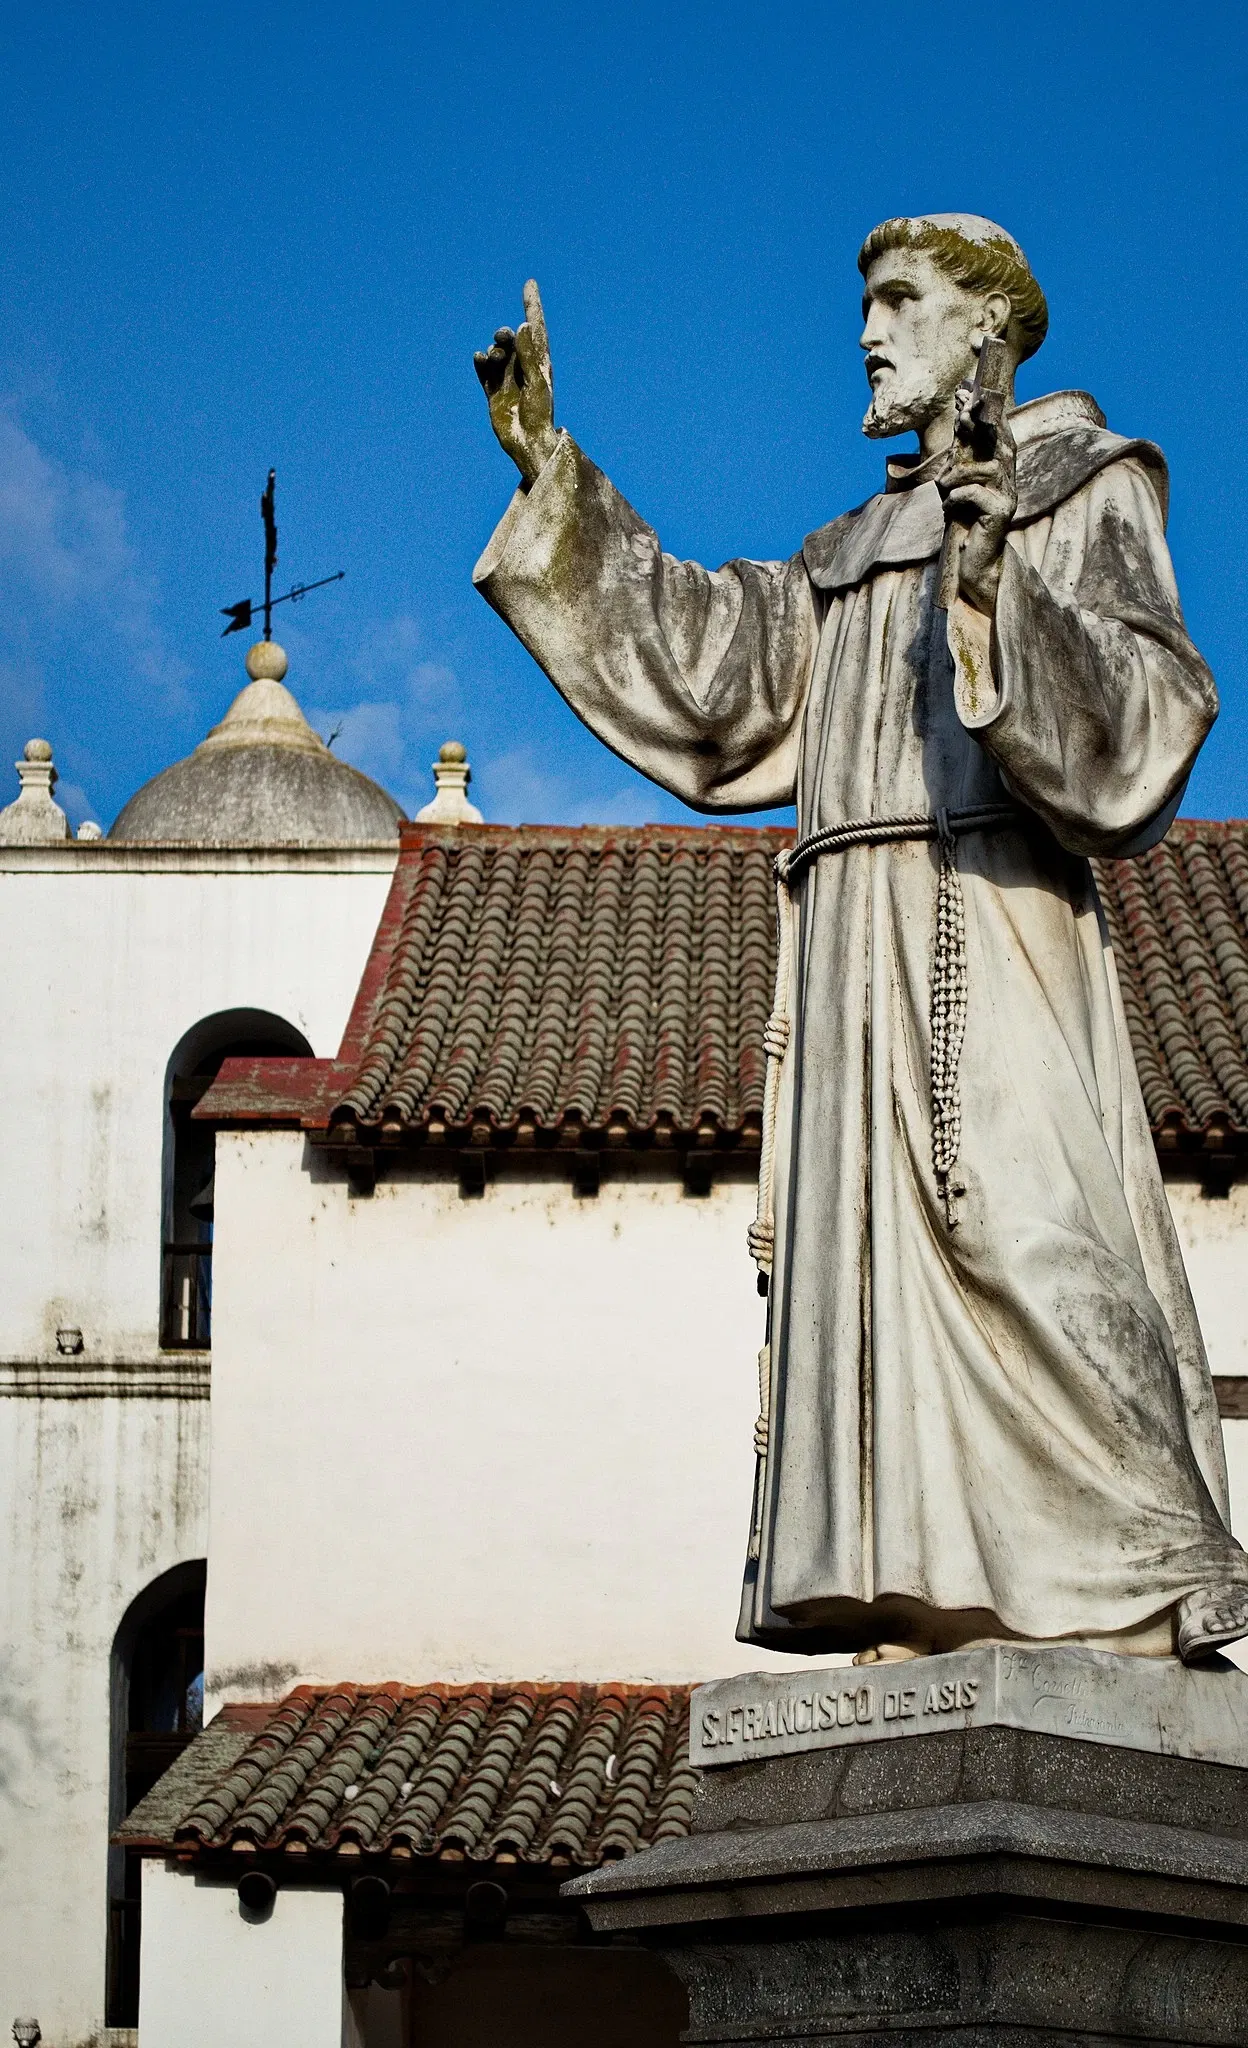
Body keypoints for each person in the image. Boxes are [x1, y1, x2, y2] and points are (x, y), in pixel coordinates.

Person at [472, 215, 1248, 1664]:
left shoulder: (1084, 485)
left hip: (993, 919)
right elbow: (711, 669)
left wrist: (990, 568)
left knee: (1029, 1235)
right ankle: (931, 1593)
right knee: (881, 1280)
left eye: (900, 302)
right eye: (870, 304)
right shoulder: (844, 556)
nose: (871, 333)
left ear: (986, 331)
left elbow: (1149, 714)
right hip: (849, 952)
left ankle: (1149, 1579)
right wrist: (557, 480)